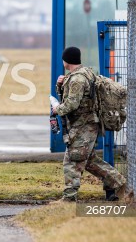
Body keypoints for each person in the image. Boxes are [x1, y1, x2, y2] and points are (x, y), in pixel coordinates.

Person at [51, 46, 133, 203]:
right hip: (86, 125)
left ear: (66, 60)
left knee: (72, 160)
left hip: (84, 125)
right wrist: (60, 85)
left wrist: (56, 109)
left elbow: (71, 104)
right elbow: (72, 97)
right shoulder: (84, 73)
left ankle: (69, 197)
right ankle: (116, 181)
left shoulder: (77, 79)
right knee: (89, 160)